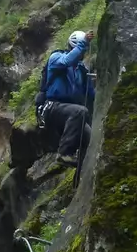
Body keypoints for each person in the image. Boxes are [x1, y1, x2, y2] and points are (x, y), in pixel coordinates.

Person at [35, 30, 96, 167]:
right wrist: (84, 42)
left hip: (69, 113)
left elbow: (90, 94)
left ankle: (81, 170)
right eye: (81, 50)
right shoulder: (56, 57)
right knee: (80, 111)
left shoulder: (81, 71)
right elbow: (67, 61)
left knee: (90, 137)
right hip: (52, 107)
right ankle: (64, 153)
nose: (83, 54)